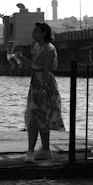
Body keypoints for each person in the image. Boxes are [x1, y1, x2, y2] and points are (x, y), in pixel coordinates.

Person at [25, 23, 64, 162]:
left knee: (34, 117)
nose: (33, 33)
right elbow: (36, 67)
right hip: (37, 83)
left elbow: (46, 71)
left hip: (42, 85)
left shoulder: (48, 49)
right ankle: (45, 149)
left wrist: (43, 88)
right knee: (41, 118)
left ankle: (31, 152)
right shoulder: (39, 47)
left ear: (43, 33)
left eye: (36, 31)